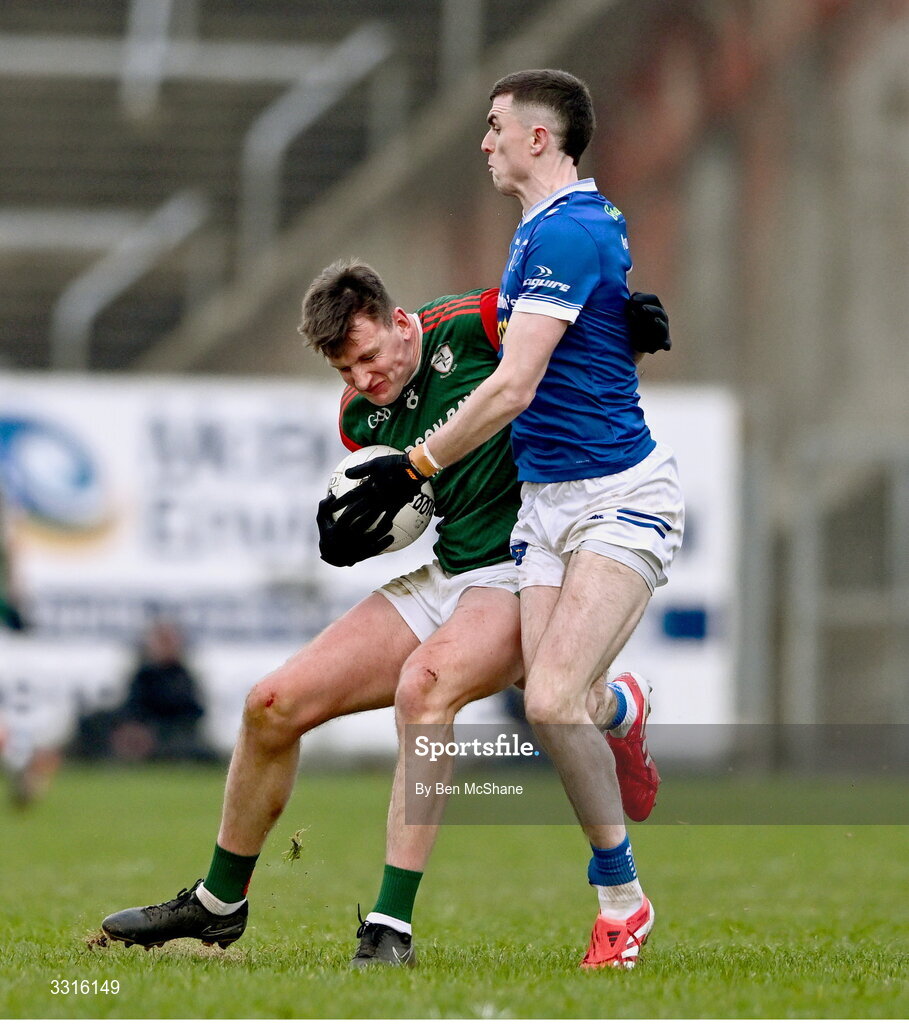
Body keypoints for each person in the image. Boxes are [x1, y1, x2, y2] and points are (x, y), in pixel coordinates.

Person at [99, 263, 669, 965]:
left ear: (402, 324)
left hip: (530, 569)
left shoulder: (476, 322)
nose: (362, 379)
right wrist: (351, 532)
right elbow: (414, 505)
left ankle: (389, 926)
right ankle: (219, 905)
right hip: (453, 571)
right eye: (345, 370)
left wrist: (619, 331)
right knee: (270, 704)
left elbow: (554, 337)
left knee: (425, 688)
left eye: (368, 356)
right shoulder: (360, 418)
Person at [345, 70, 684, 970]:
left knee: (544, 698)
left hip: (620, 498)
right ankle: (622, 706)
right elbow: (535, 337)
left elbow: (512, 385)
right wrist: (615, 320)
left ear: (540, 138)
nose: (485, 142)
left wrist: (413, 464)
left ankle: (621, 903)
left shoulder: (564, 228)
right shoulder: (550, 227)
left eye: (496, 127)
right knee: (561, 701)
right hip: (546, 506)